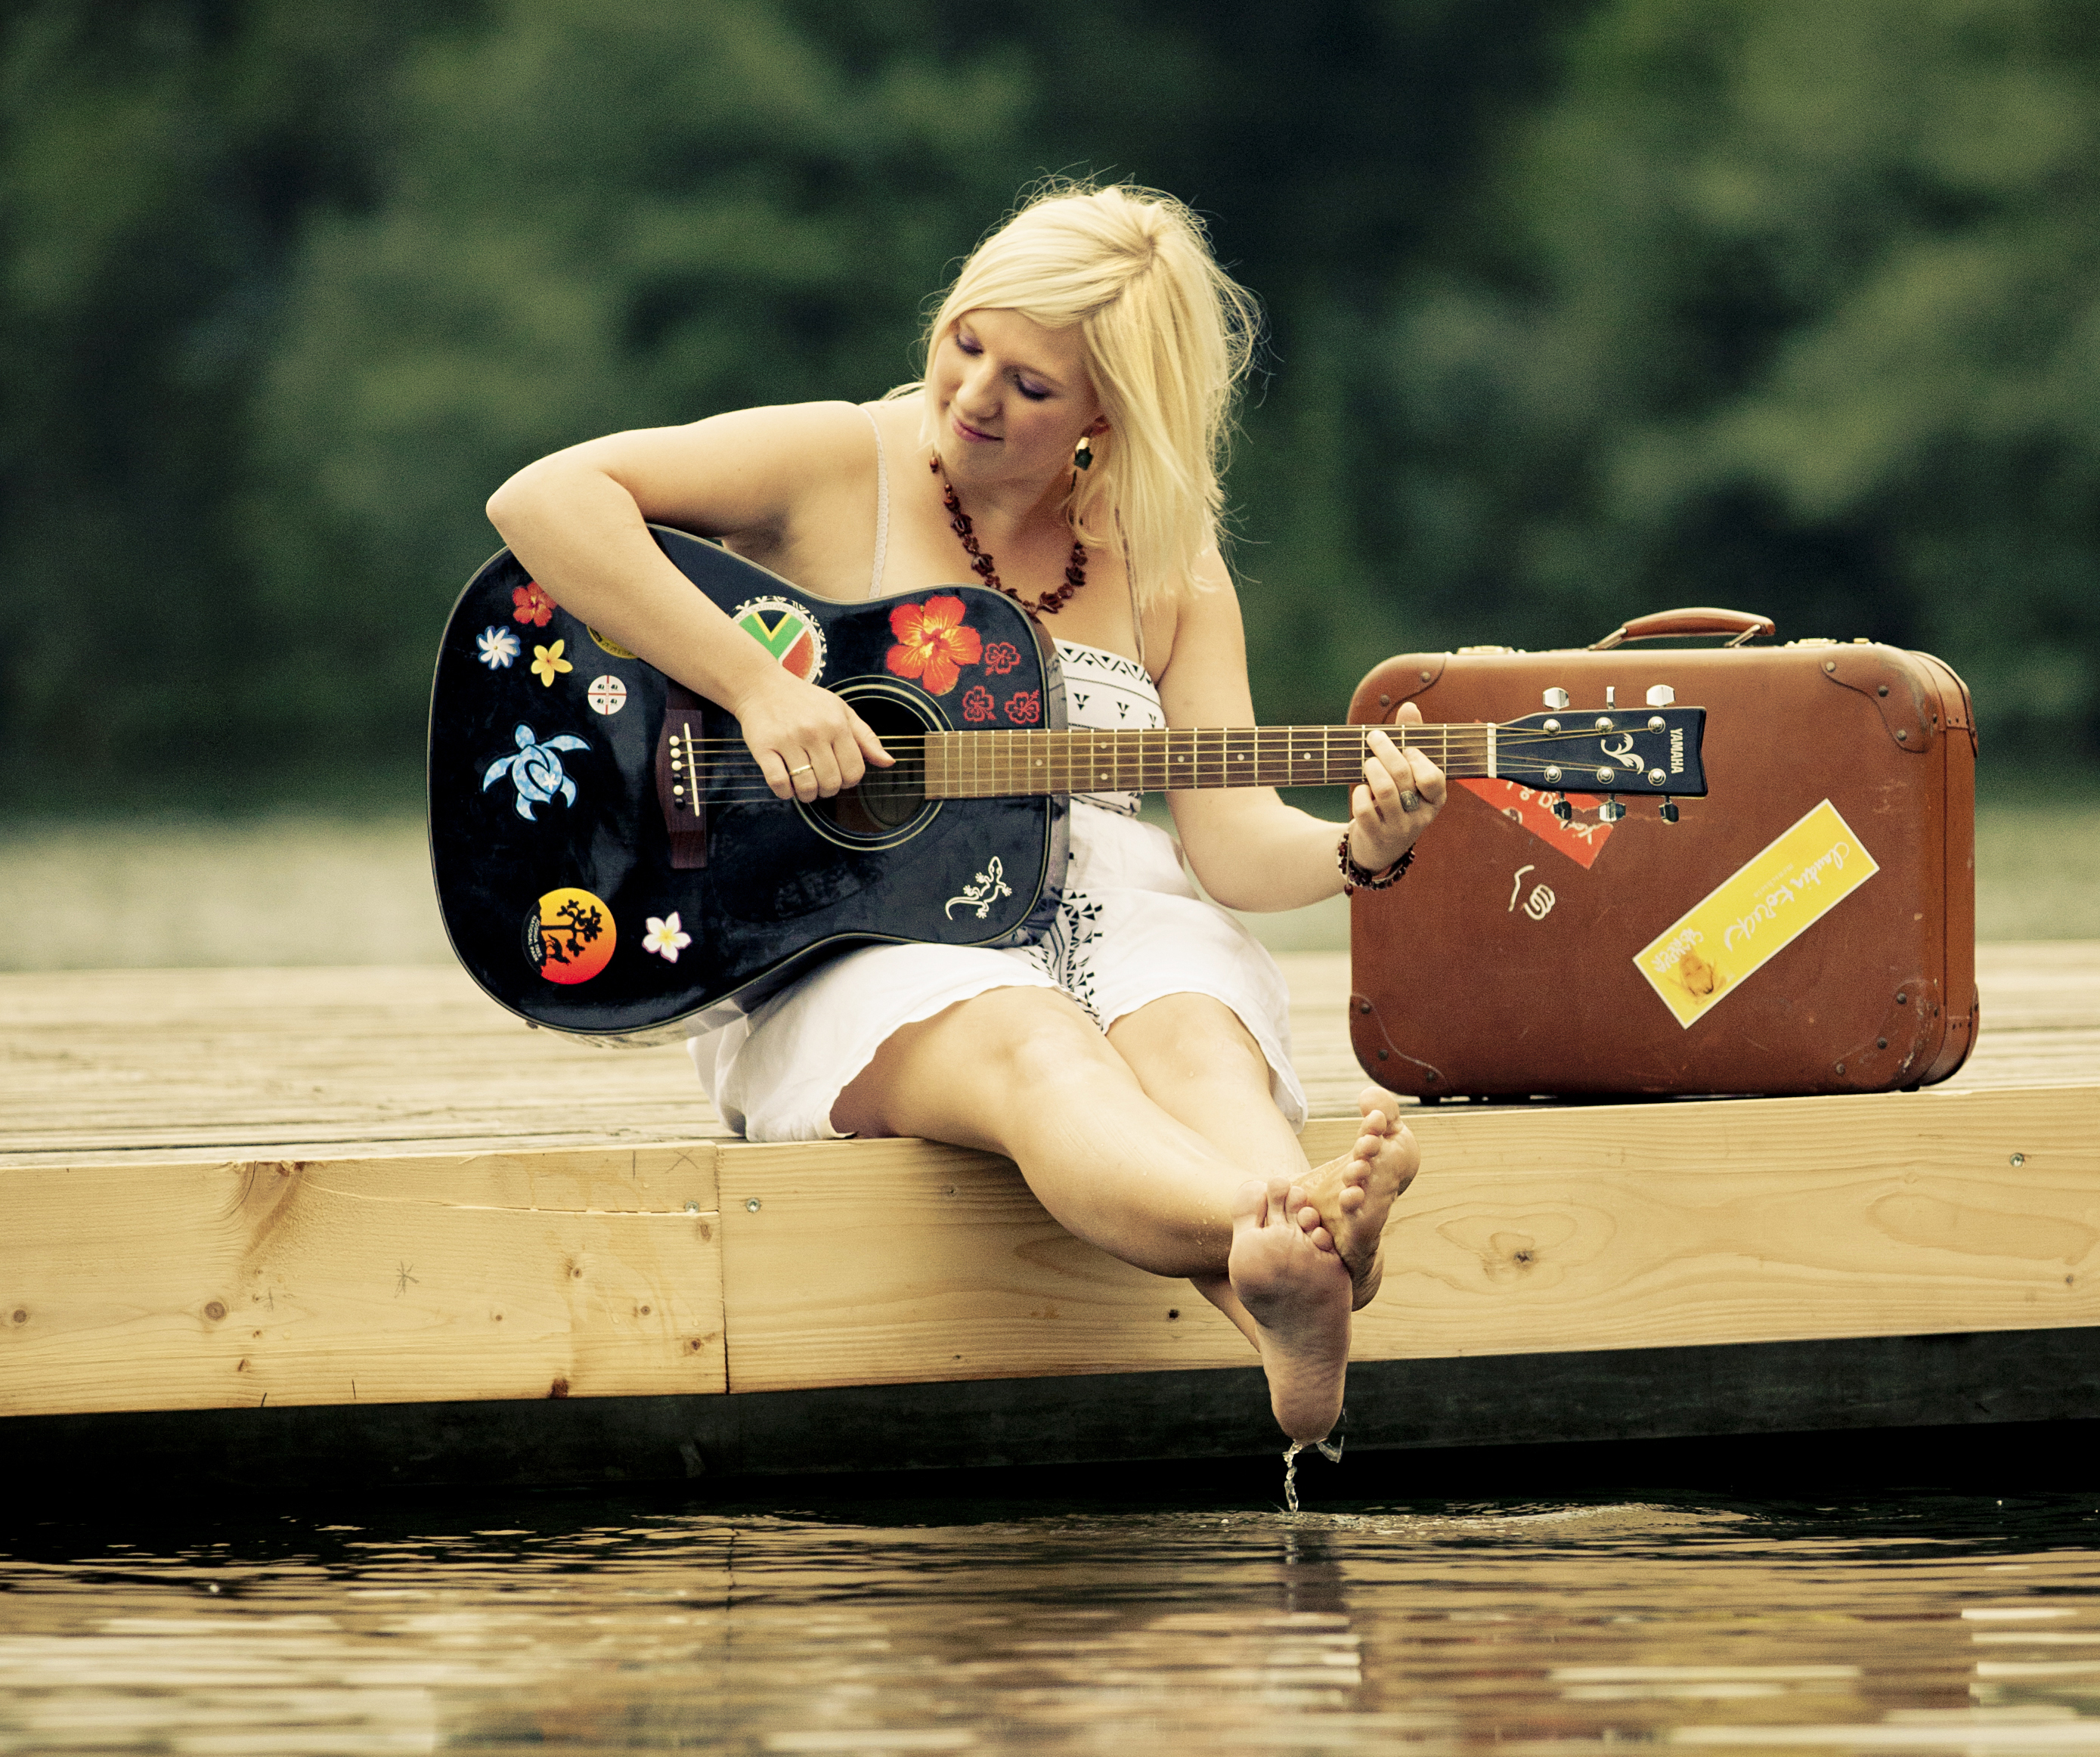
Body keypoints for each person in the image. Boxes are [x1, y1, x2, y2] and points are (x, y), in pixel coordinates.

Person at [484, 182, 1445, 1442]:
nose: (975, 393)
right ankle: (1296, 1239)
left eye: (1031, 386)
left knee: (1194, 1042)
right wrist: (756, 690)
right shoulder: (839, 460)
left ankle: (1282, 1271)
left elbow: (1229, 842)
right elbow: (544, 502)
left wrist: (1356, 852)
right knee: (1035, 1046)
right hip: (852, 922)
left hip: (1107, 898)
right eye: (966, 341)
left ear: (1110, 412)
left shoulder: (1166, 558)